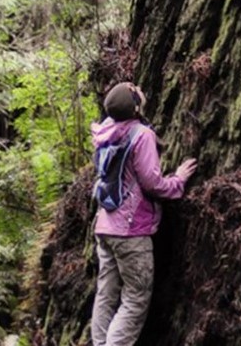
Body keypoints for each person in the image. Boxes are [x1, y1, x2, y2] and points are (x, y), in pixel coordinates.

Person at [90, 82, 197, 346]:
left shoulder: (106, 131)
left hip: (105, 225)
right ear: (136, 106)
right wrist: (178, 181)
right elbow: (152, 183)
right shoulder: (141, 135)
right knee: (135, 298)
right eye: (137, 90)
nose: (140, 88)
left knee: (106, 293)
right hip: (130, 230)